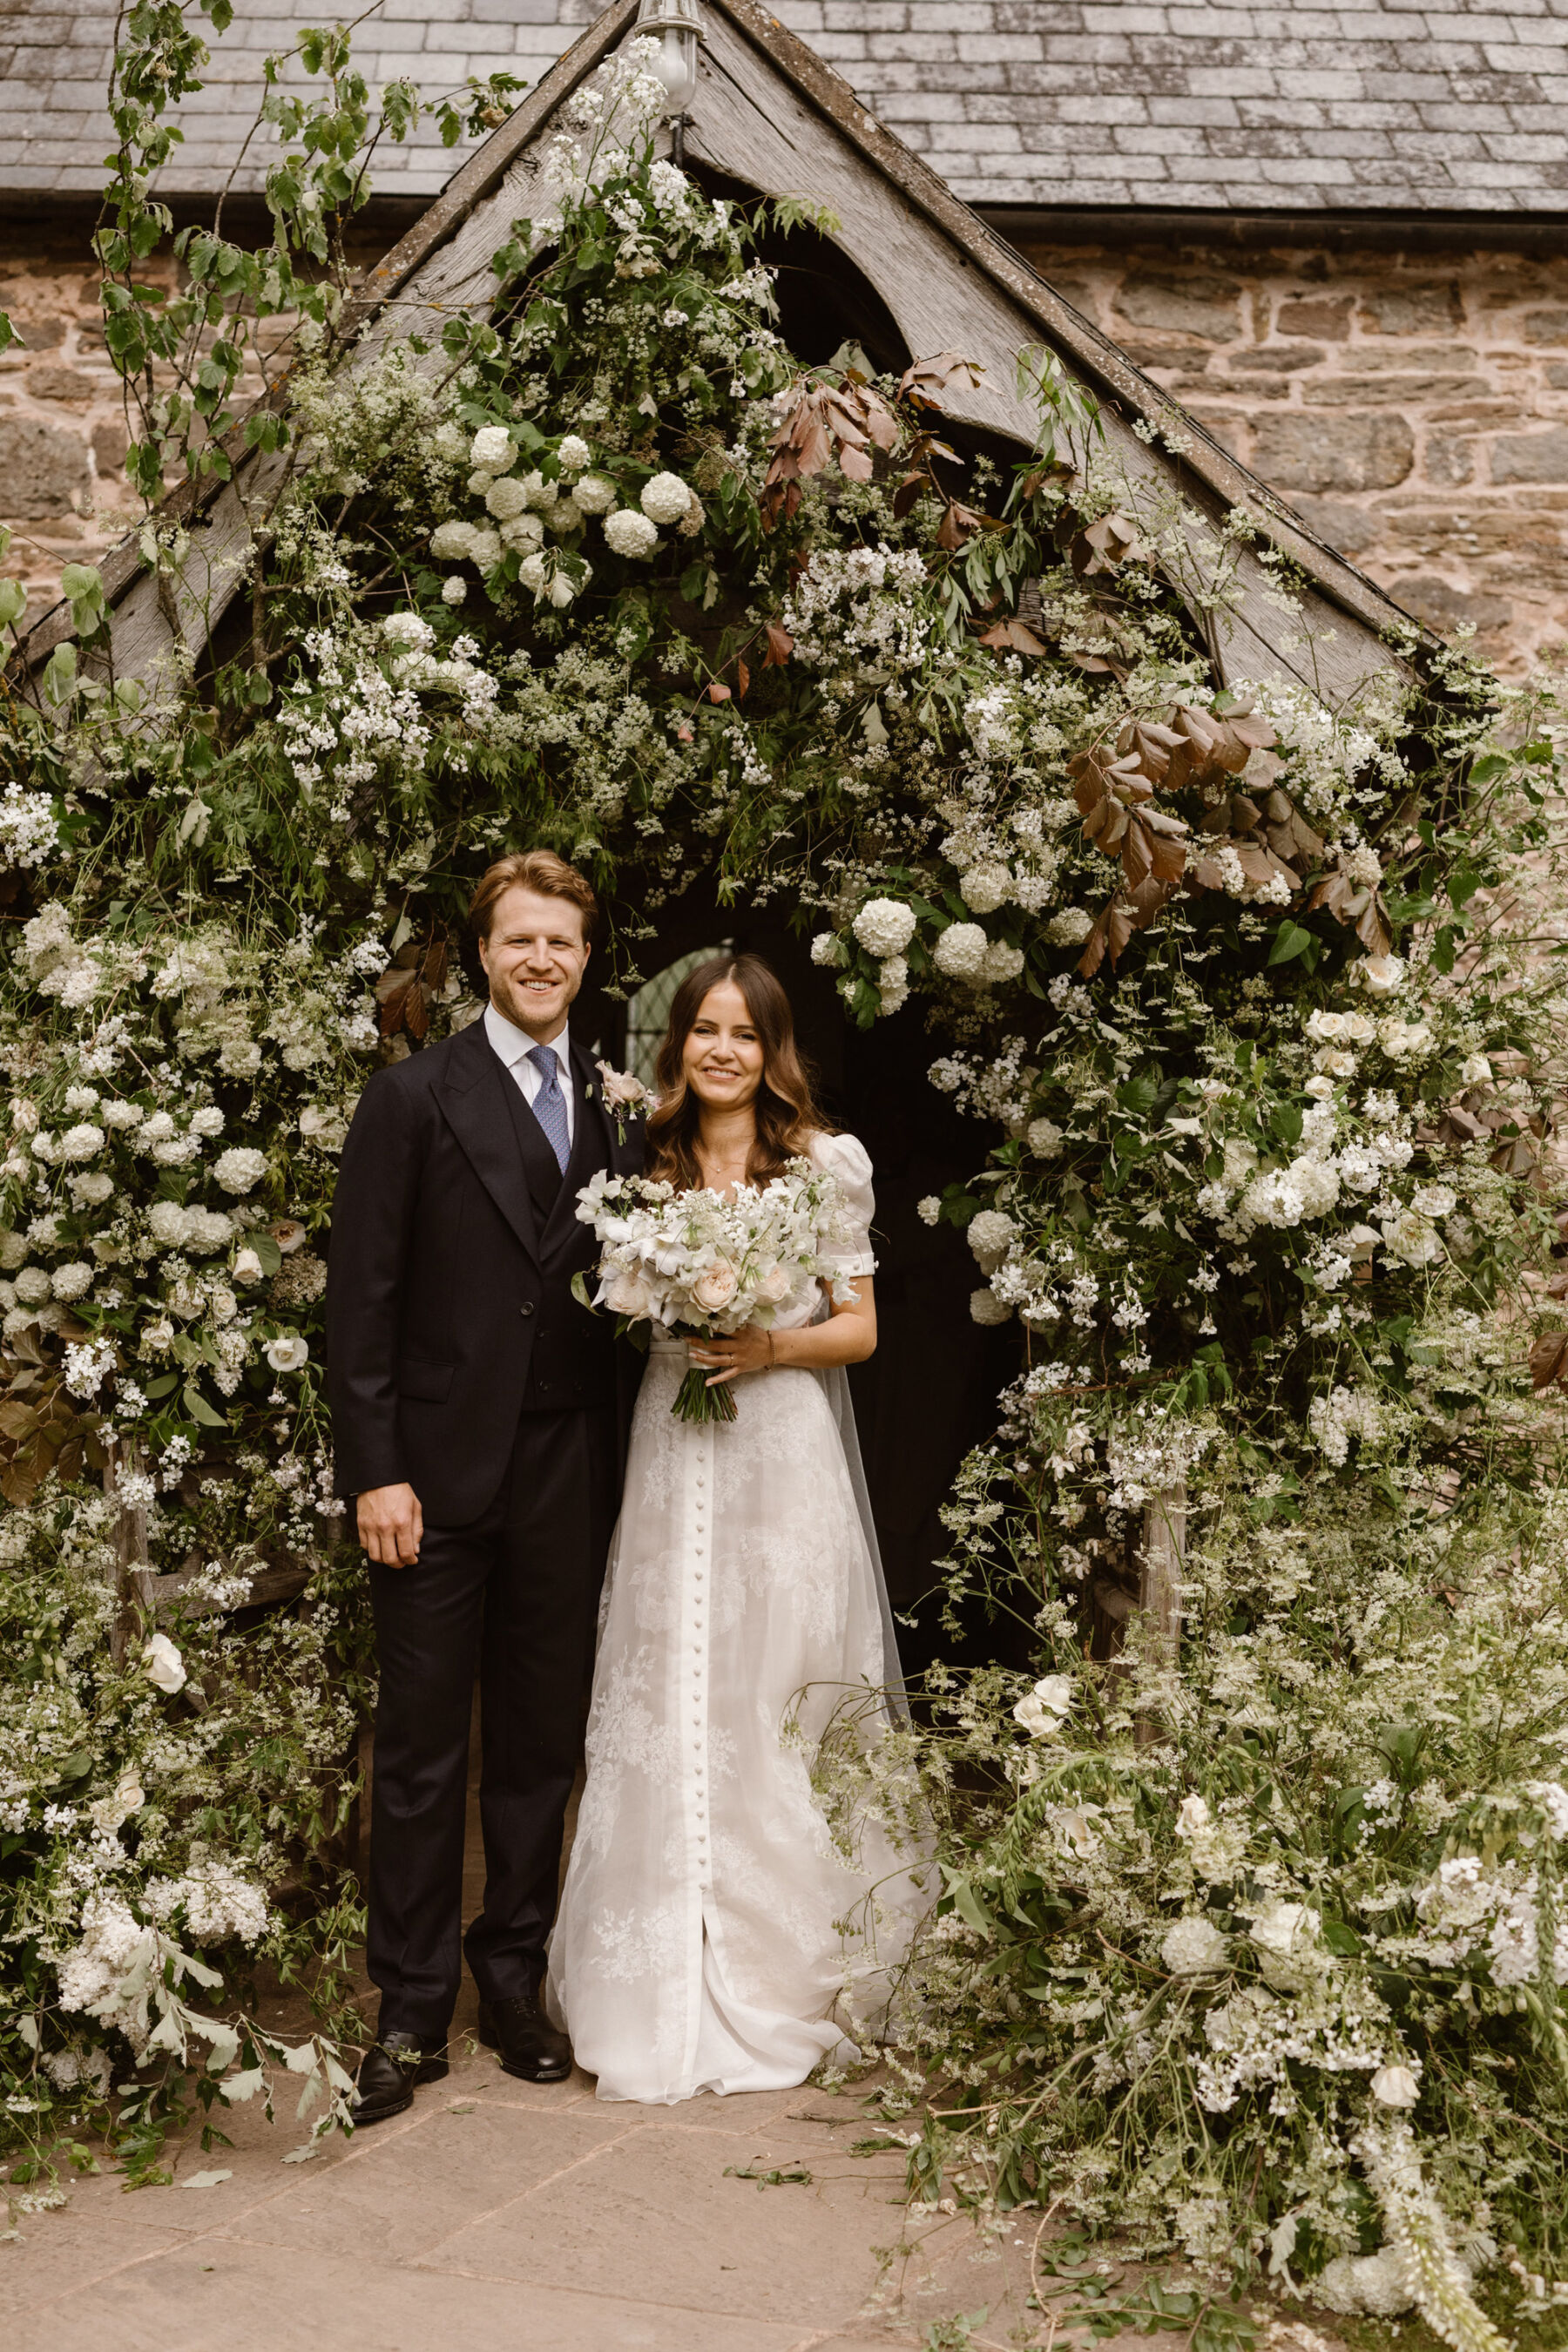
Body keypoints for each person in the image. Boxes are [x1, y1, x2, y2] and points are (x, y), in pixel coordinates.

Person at [547, 952, 928, 2103]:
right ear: (680, 1047)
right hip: (680, 1442)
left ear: (774, 1053)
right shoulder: (643, 1165)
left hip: (779, 1451)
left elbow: (857, 1332)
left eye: (744, 1035)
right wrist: (672, 1295)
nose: (722, 1050)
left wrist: (764, 1341)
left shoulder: (825, 1165)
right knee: (668, 1683)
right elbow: (614, 1300)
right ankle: (661, 1962)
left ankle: (792, 1962)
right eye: (704, 1031)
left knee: (777, 1687)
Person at [326, 849, 645, 2126]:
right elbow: (364, 1302)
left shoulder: (621, 1108)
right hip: (432, 1477)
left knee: (535, 1744)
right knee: (417, 1753)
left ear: (586, 956)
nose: (542, 962)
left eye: (562, 943)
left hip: (568, 1465)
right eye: (520, 941)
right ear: (483, 954)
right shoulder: (411, 1098)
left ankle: (508, 1979)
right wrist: (376, 1471)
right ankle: (407, 2007)